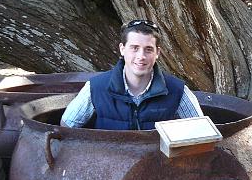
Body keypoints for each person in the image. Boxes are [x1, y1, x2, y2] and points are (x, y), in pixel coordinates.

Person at [60, 19, 203, 130]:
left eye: (148, 49)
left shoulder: (177, 90)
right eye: (134, 48)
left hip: (159, 160)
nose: (141, 56)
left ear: (157, 53)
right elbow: (66, 127)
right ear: (122, 49)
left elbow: (200, 131)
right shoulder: (95, 88)